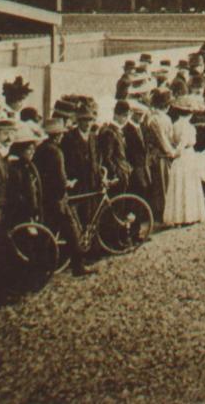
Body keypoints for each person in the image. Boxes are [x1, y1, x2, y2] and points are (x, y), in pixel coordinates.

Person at [33, 118, 92, 277]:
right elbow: (60, 178)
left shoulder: (40, 149)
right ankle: (78, 267)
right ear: (58, 135)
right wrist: (68, 184)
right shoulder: (56, 152)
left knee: (47, 233)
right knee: (72, 232)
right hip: (58, 199)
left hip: (44, 198)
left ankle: (40, 269)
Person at [163, 96, 205, 226]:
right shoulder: (188, 127)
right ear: (190, 114)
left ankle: (177, 217)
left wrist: (173, 154)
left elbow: (172, 141)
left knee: (178, 186)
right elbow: (182, 144)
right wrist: (176, 152)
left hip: (178, 160)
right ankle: (189, 216)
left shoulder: (174, 125)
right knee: (188, 186)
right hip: (186, 156)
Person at [144, 90, 177, 221]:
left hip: (158, 155)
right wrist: (172, 152)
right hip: (160, 156)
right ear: (166, 106)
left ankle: (163, 212)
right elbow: (163, 140)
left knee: (161, 185)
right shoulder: (158, 119)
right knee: (163, 185)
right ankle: (163, 213)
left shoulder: (152, 118)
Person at [97, 101, 133, 195]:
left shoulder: (117, 131)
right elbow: (107, 157)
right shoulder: (110, 132)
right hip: (117, 177)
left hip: (122, 174)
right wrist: (116, 173)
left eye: (126, 115)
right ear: (116, 115)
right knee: (117, 204)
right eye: (124, 115)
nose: (125, 119)